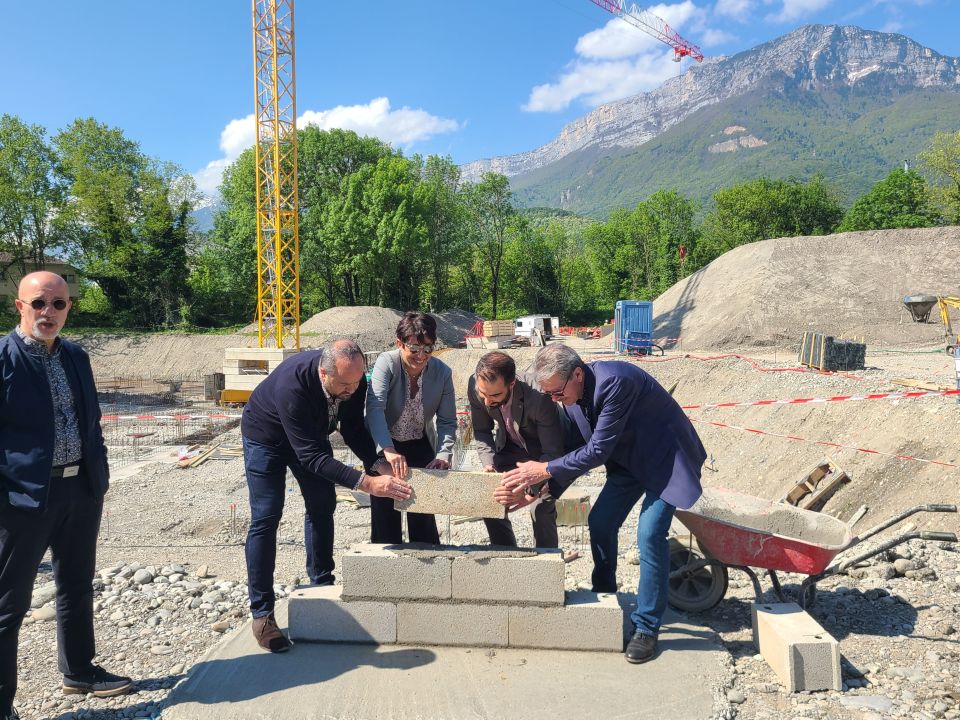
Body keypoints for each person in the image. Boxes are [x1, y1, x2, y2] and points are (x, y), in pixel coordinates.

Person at [500, 344, 705, 665]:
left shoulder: (614, 382)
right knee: (600, 522)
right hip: (629, 462)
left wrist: (542, 469)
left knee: (649, 535)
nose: (555, 400)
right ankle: (605, 595)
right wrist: (539, 489)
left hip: (666, 461)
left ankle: (647, 628)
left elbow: (596, 450)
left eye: (557, 393)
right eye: (549, 394)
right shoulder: (571, 396)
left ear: (577, 374)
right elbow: (576, 448)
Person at [0, 271, 131, 720]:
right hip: (22, 499)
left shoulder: (75, 355)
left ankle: (80, 671)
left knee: (76, 584)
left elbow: (89, 420)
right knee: (7, 605)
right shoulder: (4, 357)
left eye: (58, 304)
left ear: (69, 308)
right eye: (39, 303)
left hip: (80, 488)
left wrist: (99, 476)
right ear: (19, 306)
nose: (48, 312)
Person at [241, 339, 408, 653]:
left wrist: (376, 464)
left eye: (357, 382)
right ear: (323, 373)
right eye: (345, 384)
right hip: (266, 439)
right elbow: (311, 459)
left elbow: (353, 428)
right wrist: (367, 484)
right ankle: (262, 614)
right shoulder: (294, 386)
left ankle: (321, 583)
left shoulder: (353, 378)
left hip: (310, 438)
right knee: (267, 515)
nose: (352, 389)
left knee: (322, 504)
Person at [365, 312, 456, 544]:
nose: (421, 356)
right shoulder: (387, 363)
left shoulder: (443, 373)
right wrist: (387, 449)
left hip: (419, 442)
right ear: (399, 343)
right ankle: (386, 568)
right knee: (386, 511)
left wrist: (444, 453)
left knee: (423, 513)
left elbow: (446, 421)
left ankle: (428, 566)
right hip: (385, 444)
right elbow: (375, 409)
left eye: (428, 349)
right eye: (414, 349)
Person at [469, 351, 563, 548]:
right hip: (510, 447)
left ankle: (545, 565)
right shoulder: (476, 386)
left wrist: (529, 490)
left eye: (495, 395)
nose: (487, 401)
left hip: (542, 454)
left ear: (512, 384)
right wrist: (489, 466)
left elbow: (552, 452)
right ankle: (506, 555)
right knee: (492, 496)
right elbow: (482, 431)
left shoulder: (540, 397)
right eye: (483, 394)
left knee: (541, 508)